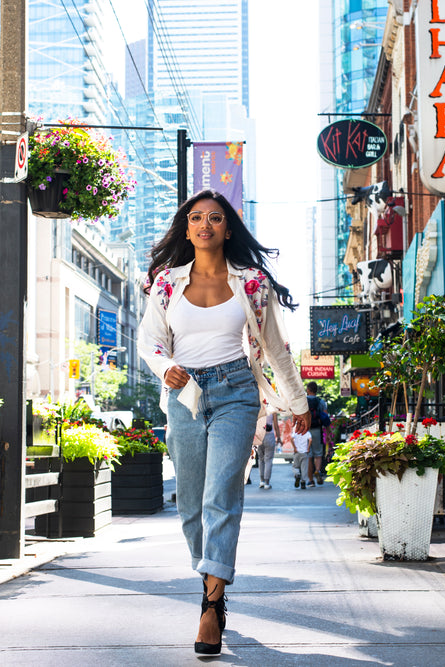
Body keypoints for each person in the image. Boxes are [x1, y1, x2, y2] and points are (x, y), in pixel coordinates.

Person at [138, 189, 310, 655]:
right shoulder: (166, 283)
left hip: (237, 391)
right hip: (184, 395)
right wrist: (164, 367)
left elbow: (276, 347)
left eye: (215, 218)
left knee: (220, 497)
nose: (205, 224)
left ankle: (211, 607)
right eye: (197, 218)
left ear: (227, 228)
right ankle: (211, 578)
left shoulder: (252, 283)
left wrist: (297, 400)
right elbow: (149, 341)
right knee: (191, 506)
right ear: (187, 227)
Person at [305, 381, 329, 486]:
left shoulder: (303, 401)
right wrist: (328, 434)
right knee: (318, 454)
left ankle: (310, 481)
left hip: (306, 431)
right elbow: (325, 417)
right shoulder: (321, 402)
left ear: (308, 390)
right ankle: (318, 470)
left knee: (309, 456)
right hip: (317, 430)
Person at [255, 412, 277, 489]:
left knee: (260, 459)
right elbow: (276, 425)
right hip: (269, 435)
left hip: (259, 436)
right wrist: (279, 437)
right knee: (268, 460)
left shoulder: (259, 408)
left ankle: (261, 481)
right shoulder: (273, 410)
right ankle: (267, 483)